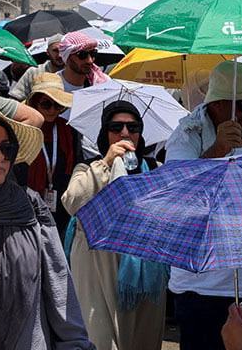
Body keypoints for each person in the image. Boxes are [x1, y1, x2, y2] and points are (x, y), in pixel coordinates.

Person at [0, 94, 93, 350]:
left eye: (7, 148)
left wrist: (75, 343)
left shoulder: (30, 205)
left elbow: (58, 283)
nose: (0, 157)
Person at [62, 100, 169, 350]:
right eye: (116, 127)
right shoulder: (88, 169)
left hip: (143, 275)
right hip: (97, 268)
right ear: (105, 132)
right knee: (98, 338)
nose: (125, 133)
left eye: (133, 127)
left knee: (142, 340)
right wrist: (107, 163)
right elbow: (73, 202)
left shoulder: (155, 171)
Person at [165, 60, 242, 350]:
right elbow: (178, 195)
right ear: (218, 105)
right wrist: (216, 152)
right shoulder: (186, 135)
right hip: (202, 286)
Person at [23, 73, 82, 240]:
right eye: (46, 104)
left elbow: (76, 165)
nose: (52, 111)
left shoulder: (68, 131)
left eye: (58, 106)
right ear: (34, 104)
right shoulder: (24, 130)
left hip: (61, 209)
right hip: (30, 207)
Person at [9, 33, 65, 101]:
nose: (59, 55)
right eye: (55, 50)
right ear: (47, 52)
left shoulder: (73, 73)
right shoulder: (34, 72)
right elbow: (15, 98)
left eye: (63, 50)